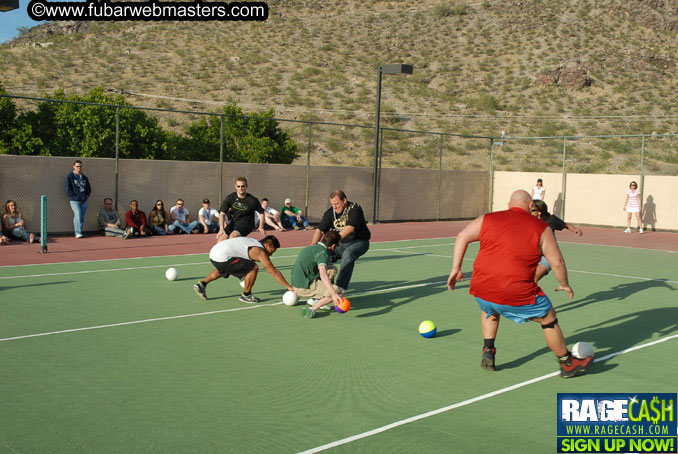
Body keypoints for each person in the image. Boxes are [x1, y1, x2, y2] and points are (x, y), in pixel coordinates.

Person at [447, 190, 593, 378]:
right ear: (530, 204)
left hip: (481, 286)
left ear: (509, 204)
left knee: (490, 308)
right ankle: (567, 363)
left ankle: (488, 349)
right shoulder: (541, 228)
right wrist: (564, 284)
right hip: (515, 289)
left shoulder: (487, 219)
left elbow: (461, 236)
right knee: (548, 318)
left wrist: (456, 268)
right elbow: (557, 262)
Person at [193, 235, 295, 303]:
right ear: (266, 245)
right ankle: (247, 295)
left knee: (225, 268)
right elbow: (272, 271)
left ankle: (202, 284)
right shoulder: (259, 250)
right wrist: (288, 286)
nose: (270, 254)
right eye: (271, 251)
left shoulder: (253, 242)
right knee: (253, 267)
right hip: (222, 256)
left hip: (214, 254)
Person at [311, 190, 371, 292]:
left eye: (337, 204)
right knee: (324, 254)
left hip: (359, 241)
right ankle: (328, 286)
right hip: (340, 243)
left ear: (344, 200)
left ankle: (340, 287)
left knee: (348, 254)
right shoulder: (330, 212)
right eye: (333, 204)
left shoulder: (354, 208)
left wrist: (333, 240)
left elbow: (350, 228)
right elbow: (320, 230)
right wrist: (313, 245)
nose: (335, 207)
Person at [293, 231, 343, 319]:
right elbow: (323, 274)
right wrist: (333, 293)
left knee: (333, 269)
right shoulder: (323, 253)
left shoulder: (312, 248)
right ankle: (312, 309)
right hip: (305, 286)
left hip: (297, 282)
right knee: (337, 291)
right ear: (333, 245)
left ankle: (316, 299)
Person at [530, 199, 582, 282]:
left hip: (546, 256)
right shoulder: (529, 221)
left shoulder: (551, 220)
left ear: (539, 212)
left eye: (532, 210)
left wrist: (575, 230)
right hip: (533, 255)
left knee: (533, 279)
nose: (530, 212)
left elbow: (565, 225)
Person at [65, 159, 91, 238]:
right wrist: (73, 196)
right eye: (77, 166)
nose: (79, 168)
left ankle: (79, 230)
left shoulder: (84, 177)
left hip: (84, 200)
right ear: (74, 167)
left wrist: (87, 195)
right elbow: (68, 188)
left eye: (80, 166)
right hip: (74, 200)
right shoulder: (70, 176)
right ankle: (78, 232)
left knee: (82, 217)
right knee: (78, 214)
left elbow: (88, 188)